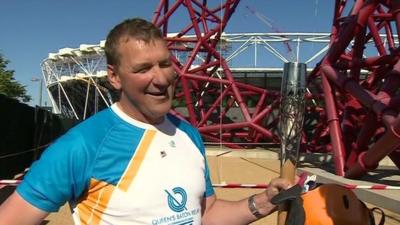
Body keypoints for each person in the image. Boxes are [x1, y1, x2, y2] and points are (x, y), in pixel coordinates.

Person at [0, 18, 292, 225]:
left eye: (165, 63)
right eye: (143, 68)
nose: (162, 78)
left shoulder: (188, 134)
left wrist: (264, 202)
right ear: (114, 77)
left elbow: (207, 214)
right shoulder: (82, 145)